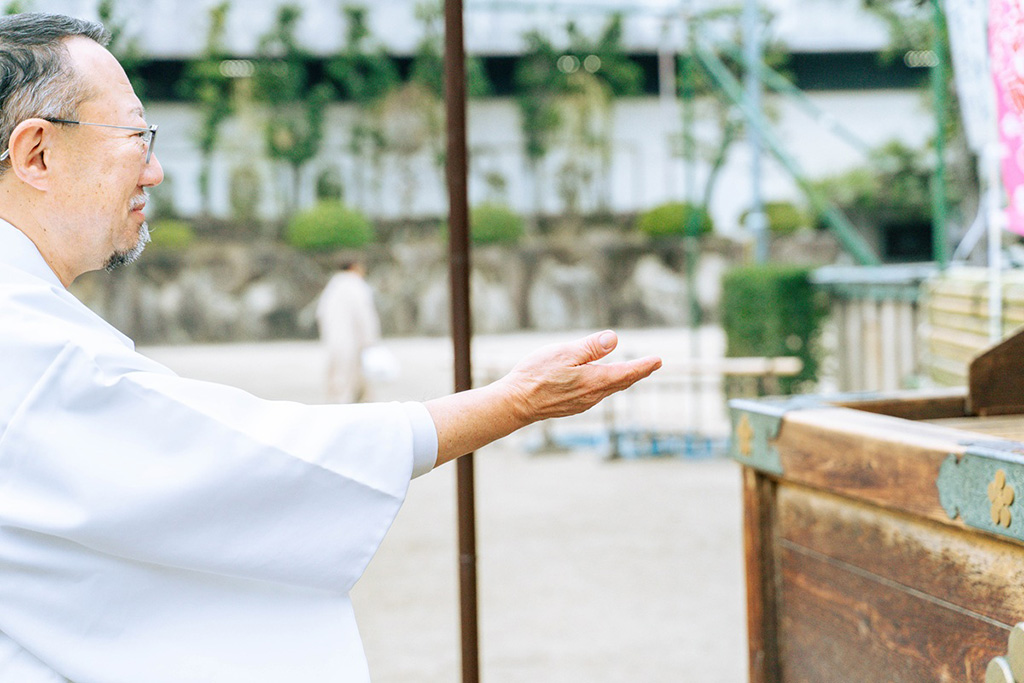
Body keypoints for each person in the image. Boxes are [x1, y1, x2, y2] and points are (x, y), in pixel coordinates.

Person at [0, 13, 662, 682]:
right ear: (37, 154)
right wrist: (511, 402)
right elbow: (242, 462)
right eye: (136, 137)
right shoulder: (27, 344)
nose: (155, 171)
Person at [316, 259, 383, 403]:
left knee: (337, 378)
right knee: (351, 379)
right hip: (353, 340)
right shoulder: (355, 285)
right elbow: (364, 315)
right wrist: (370, 340)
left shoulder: (333, 286)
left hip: (333, 340)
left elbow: (320, 314)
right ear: (354, 267)